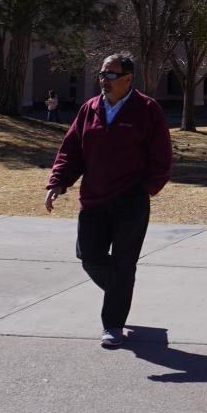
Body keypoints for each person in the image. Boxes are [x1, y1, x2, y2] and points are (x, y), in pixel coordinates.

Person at [45, 52, 172, 348]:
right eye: (102, 74)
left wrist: (145, 190)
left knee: (124, 263)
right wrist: (58, 183)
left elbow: (162, 157)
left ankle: (113, 325)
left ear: (128, 79)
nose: (103, 80)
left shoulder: (147, 109)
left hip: (131, 201)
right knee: (89, 257)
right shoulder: (90, 108)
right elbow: (71, 150)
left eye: (110, 75)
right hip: (94, 199)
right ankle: (119, 293)